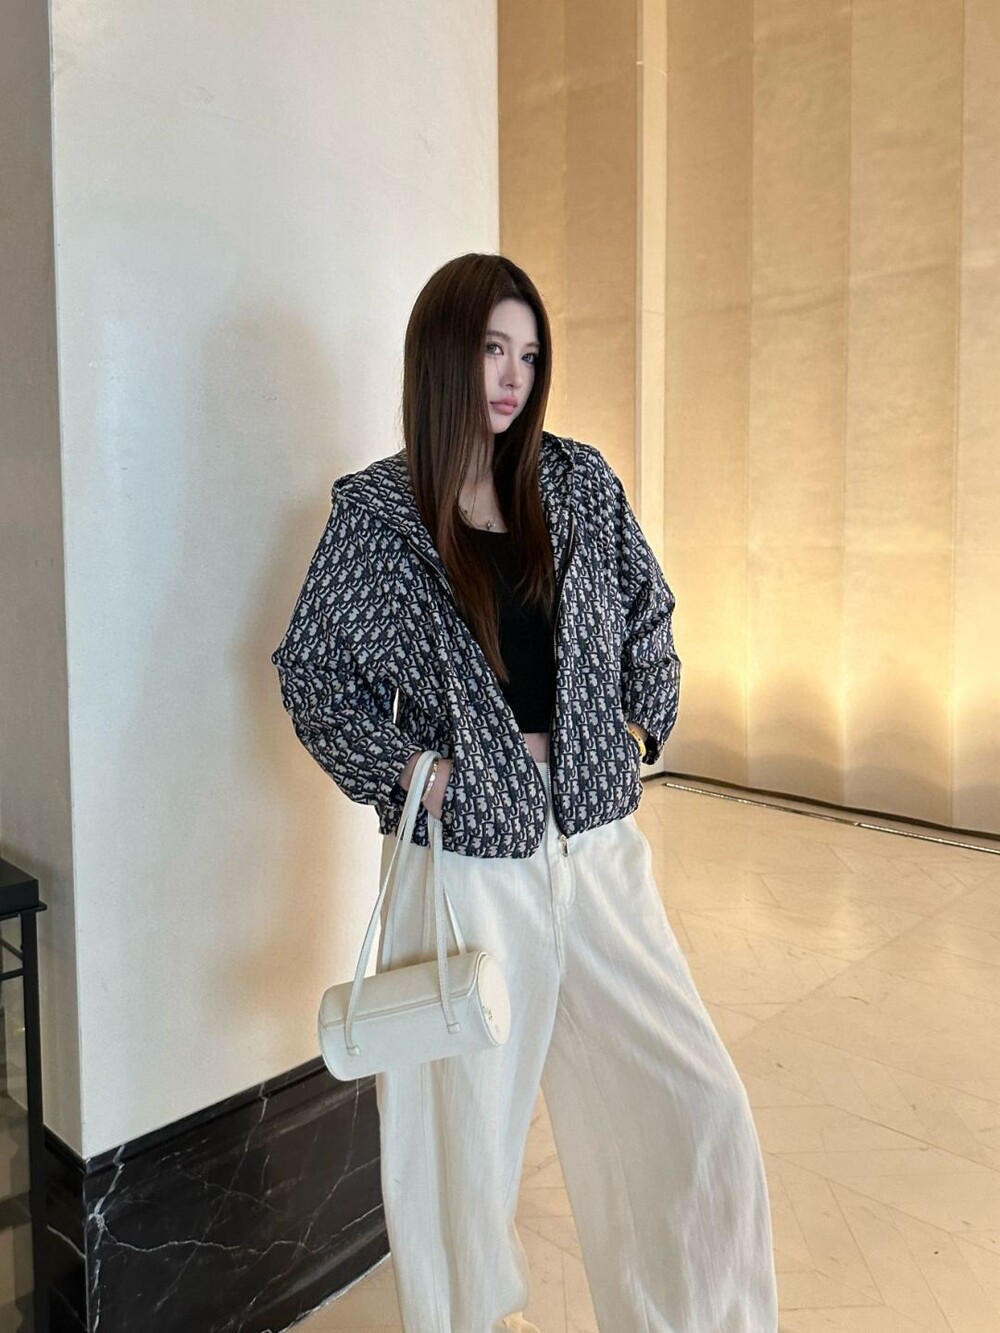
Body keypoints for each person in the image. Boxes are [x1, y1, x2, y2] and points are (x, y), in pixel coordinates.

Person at [270, 253, 778, 1332]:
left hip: (595, 846)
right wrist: (413, 774)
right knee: (458, 1152)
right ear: (444, 356)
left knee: (692, 1106)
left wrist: (637, 727)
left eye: (529, 353)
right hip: (462, 865)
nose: (513, 375)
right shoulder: (379, 515)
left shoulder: (578, 482)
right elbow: (310, 671)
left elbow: (648, 608)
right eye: (493, 349)